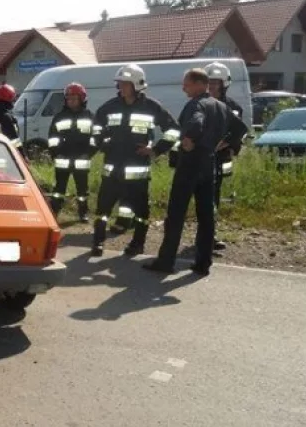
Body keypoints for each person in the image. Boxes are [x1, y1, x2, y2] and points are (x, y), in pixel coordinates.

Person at [144, 68, 229, 276]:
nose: (184, 88)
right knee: (206, 216)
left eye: (187, 84)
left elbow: (196, 123)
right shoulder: (220, 106)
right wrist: (218, 144)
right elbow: (237, 129)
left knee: (175, 214)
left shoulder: (196, 104)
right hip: (209, 165)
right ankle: (203, 264)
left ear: (200, 84)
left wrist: (190, 139)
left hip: (190, 165)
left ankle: (166, 262)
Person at [90, 64, 181, 258]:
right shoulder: (109, 107)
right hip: (112, 170)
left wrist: (155, 150)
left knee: (141, 212)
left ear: (137, 85)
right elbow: (96, 128)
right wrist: (103, 144)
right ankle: (98, 242)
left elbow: (173, 130)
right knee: (103, 209)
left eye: (125, 84)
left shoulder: (152, 107)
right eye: (120, 83)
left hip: (137, 173)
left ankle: (137, 244)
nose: (121, 87)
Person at [204, 61, 249, 253]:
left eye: (216, 82)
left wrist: (229, 144)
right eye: (209, 82)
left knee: (213, 198)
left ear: (224, 84)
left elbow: (239, 131)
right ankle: (204, 236)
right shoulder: (200, 104)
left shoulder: (232, 107)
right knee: (202, 199)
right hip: (201, 159)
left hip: (220, 161)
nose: (212, 86)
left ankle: (209, 236)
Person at [47, 82, 96, 222]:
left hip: (82, 160)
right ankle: (53, 212)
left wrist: (89, 153)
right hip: (62, 159)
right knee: (58, 190)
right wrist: (56, 154)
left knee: (82, 190)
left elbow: (96, 137)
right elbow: (52, 138)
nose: (71, 101)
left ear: (82, 99)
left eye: (74, 98)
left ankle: (83, 213)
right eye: (68, 98)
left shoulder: (90, 116)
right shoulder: (59, 117)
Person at [0, 83, 21, 149]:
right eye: (12, 98)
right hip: (3, 151)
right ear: (9, 98)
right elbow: (14, 140)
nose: (13, 101)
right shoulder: (6, 117)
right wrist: (23, 155)